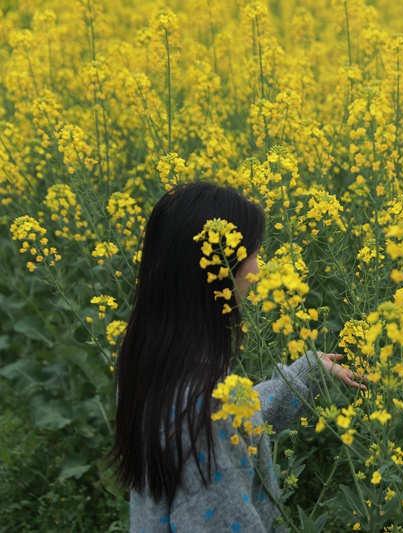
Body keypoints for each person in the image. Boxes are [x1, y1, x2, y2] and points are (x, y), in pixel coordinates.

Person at [107, 182, 363, 532]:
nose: (257, 272)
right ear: (215, 276)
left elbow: (236, 414)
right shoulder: (205, 410)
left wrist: (304, 373)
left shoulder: (147, 363)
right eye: (253, 256)